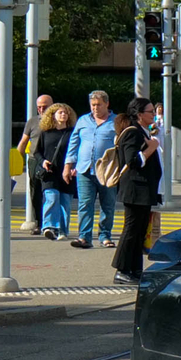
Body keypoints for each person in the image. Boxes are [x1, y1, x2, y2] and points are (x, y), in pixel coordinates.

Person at [108, 99, 162, 286]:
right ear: (140, 114)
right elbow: (132, 161)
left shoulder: (142, 131)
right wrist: (151, 148)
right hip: (134, 189)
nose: (153, 114)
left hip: (143, 190)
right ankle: (122, 270)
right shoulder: (132, 133)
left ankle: (135, 269)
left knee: (139, 231)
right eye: (150, 111)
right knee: (131, 230)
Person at [67, 89, 118, 249]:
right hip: (84, 169)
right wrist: (68, 165)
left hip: (107, 171)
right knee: (85, 204)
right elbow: (73, 144)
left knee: (107, 205)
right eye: (93, 105)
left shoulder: (116, 122)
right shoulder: (83, 121)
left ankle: (105, 236)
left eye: (98, 105)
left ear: (107, 104)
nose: (95, 108)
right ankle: (84, 237)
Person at [34, 102, 76, 239]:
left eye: (65, 113)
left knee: (65, 203)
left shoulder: (73, 133)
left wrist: (75, 168)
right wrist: (43, 161)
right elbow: (37, 152)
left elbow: (78, 151)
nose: (63, 115)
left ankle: (62, 230)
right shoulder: (46, 133)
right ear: (52, 115)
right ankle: (49, 226)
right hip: (50, 172)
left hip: (67, 172)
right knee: (52, 197)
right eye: (60, 112)